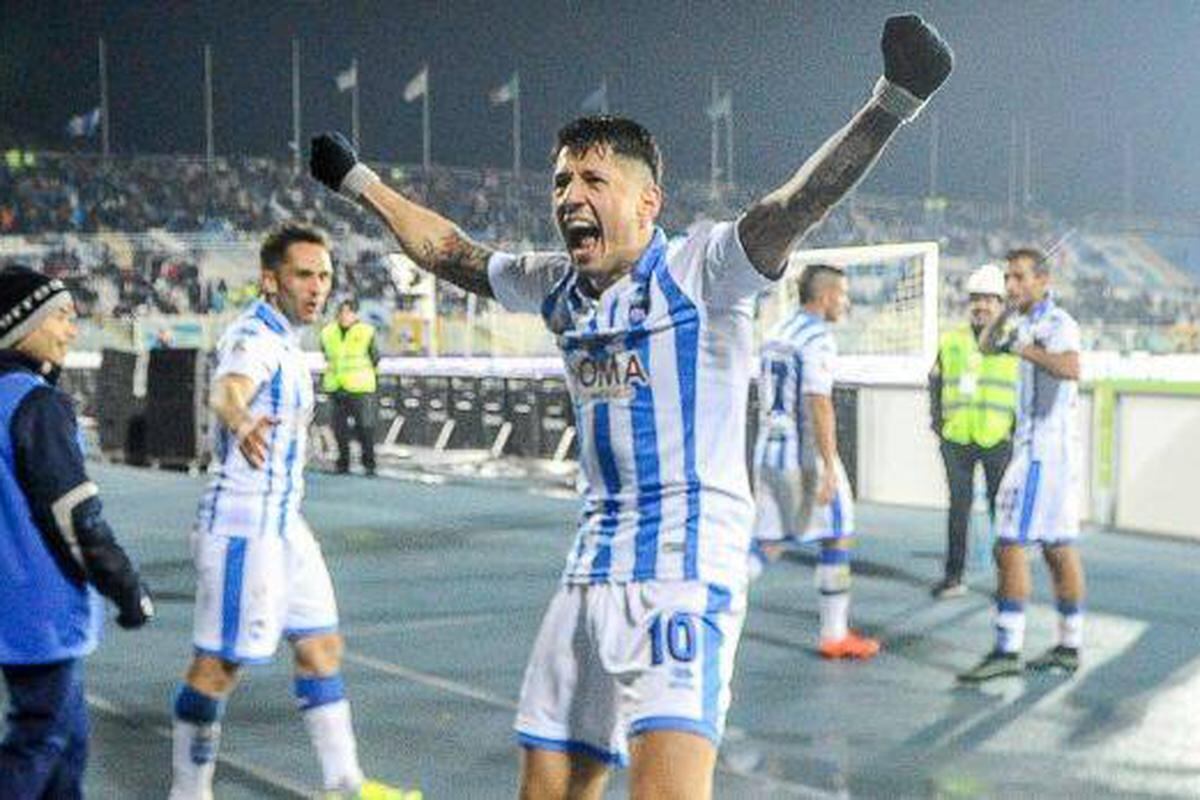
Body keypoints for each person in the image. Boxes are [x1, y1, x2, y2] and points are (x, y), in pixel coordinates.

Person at [310, 14, 951, 798]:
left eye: (592, 182)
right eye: (560, 183)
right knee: (545, 792)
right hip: (589, 567)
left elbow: (796, 204)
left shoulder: (703, 269)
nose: (569, 197)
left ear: (648, 202)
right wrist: (357, 182)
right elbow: (451, 251)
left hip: (685, 569)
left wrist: (893, 100)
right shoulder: (556, 285)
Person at [167, 225, 418, 800]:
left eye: (324, 275)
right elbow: (227, 389)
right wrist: (240, 417)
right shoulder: (253, 335)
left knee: (320, 646)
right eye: (304, 275)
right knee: (217, 667)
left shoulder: (289, 338)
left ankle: (345, 785)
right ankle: (188, 793)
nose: (317, 287)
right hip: (242, 526)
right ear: (271, 279)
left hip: (285, 524)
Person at [0, 265, 154, 798]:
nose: (71, 329)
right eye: (61, 316)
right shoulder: (36, 403)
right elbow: (76, 514)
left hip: (13, 607)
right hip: (38, 610)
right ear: (22, 324)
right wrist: (127, 587)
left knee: (67, 745)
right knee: (39, 742)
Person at [958, 248, 1086, 683]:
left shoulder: (1057, 323)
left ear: (1043, 281)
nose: (1010, 286)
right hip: (1048, 454)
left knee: (1009, 542)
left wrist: (1025, 349)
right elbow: (987, 344)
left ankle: (1006, 648)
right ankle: (1069, 644)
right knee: (1056, 547)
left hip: (1040, 455)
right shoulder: (1023, 321)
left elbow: (1070, 367)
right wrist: (1008, 318)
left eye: (1018, 278)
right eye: (1008, 278)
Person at [750, 264, 880, 660]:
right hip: (801, 457)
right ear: (824, 297)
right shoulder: (818, 338)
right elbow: (819, 402)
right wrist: (827, 466)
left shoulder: (778, 331)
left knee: (768, 543)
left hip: (768, 451)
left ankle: (712, 603)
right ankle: (834, 633)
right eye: (842, 294)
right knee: (838, 531)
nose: (846, 302)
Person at [927, 264, 1017, 599]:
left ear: (999, 304)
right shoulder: (951, 342)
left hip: (997, 440)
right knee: (957, 511)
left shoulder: (1012, 343)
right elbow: (934, 383)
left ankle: (1007, 580)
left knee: (1001, 514)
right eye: (976, 299)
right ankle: (953, 577)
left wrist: (1013, 431)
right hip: (957, 439)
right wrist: (938, 425)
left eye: (988, 300)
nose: (981, 306)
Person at [320, 298, 381, 476]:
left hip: (361, 387)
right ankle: (342, 464)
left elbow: (375, 357)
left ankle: (369, 465)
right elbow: (326, 354)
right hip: (336, 387)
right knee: (340, 429)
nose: (344, 316)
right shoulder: (328, 332)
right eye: (342, 312)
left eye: (348, 312)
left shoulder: (366, 331)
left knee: (365, 427)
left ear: (355, 314)